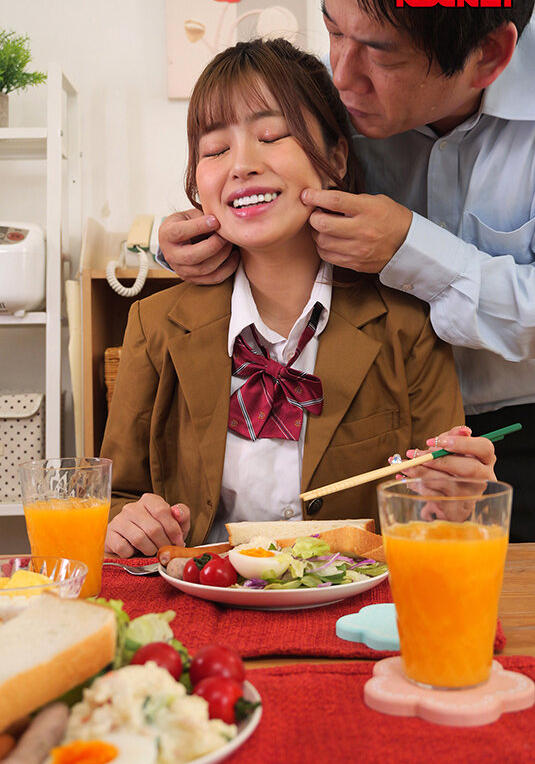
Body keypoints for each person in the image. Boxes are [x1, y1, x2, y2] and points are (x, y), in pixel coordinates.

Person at [158, 0, 535, 543]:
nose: (342, 75)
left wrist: (411, 247)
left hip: (513, 427)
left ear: (487, 56)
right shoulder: (339, 111)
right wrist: (189, 243)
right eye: (334, 32)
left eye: (382, 55)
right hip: (383, 423)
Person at [103, 38, 496, 559]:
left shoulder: (408, 321)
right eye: (214, 150)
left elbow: (434, 517)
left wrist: (451, 500)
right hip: (204, 607)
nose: (241, 165)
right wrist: (128, 524)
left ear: (335, 157)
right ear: (198, 184)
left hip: (350, 615)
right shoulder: (155, 324)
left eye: (271, 135)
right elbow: (114, 501)